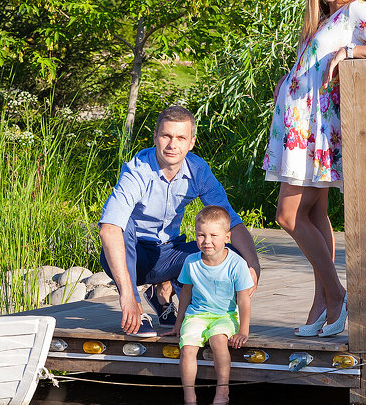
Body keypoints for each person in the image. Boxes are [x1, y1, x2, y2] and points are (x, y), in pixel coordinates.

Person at [262, 0, 366, 338]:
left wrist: (350, 50)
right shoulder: (321, 20)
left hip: (314, 131)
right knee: (314, 215)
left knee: (288, 217)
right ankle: (321, 302)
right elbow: (311, 73)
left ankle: (337, 293)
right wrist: (287, 80)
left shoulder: (355, 11)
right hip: (298, 127)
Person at [99, 105, 261, 337]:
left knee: (226, 249)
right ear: (155, 137)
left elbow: (231, 221)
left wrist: (253, 265)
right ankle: (136, 311)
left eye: (180, 138)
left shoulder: (198, 170)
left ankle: (167, 297)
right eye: (166, 136)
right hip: (133, 255)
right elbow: (109, 230)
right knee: (123, 227)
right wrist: (127, 296)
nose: (172, 145)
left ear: (191, 142)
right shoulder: (137, 171)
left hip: (168, 254)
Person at [165, 205, 253, 405]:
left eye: (214, 235)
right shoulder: (191, 262)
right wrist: (178, 322)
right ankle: (189, 396)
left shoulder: (236, 264)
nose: (207, 241)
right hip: (197, 315)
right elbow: (186, 293)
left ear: (227, 237)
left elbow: (244, 299)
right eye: (201, 235)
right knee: (187, 348)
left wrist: (243, 331)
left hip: (225, 315)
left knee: (218, 341)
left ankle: (222, 389)